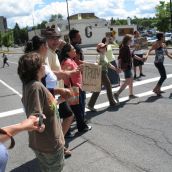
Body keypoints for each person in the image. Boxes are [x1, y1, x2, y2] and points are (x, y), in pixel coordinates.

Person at [24, 35, 73, 158]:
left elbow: (44, 88)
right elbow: (39, 90)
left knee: (52, 129)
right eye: (46, 45)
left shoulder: (39, 62)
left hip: (50, 102)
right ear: (42, 47)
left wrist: (59, 91)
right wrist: (59, 95)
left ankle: (56, 148)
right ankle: (54, 151)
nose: (47, 47)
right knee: (48, 131)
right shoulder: (37, 66)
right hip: (47, 106)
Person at [18, 52, 65, 172]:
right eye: (43, 64)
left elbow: (43, 107)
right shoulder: (36, 87)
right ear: (38, 69)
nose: (45, 66)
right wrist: (38, 124)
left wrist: (59, 101)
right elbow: (36, 116)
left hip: (40, 144)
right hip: (49, 144)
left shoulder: (28, 85)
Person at [59, 43, 92, 132]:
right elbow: (65, 76)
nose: (75, 50)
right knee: (77, 110)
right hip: (74, 88)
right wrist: (70, 88)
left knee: (77, 110)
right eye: (73, 49)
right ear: (68, 52)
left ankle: (76, 128)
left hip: (76, 87)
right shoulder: (68, 62)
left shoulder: (70, 60)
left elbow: (74, 72)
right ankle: (79, 128)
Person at [87, 43, 120, 111]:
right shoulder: (99, 56)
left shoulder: (104, 55)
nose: (104, 48)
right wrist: (95, 64)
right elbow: (97, 62)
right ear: (99, 49)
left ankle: (90, 105)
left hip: (104, 72)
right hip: (101, 73)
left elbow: (109, 64)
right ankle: (112, 102)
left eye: (105, 47)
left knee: (98, 89)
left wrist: (116, 69)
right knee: (108, 85)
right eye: (102, 47)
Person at [114, 34, 137, 103]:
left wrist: (141, 59)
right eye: (131, 40)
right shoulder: (124, 48)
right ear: (127, 40)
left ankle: (131, 94)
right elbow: (120, 58)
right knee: (128, 81)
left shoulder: (127, 47)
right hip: (126, 67)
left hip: (128, 66)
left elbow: (132, 55)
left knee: (131, 80)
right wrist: (118, 67)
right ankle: (117, 94)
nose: (132, 41)